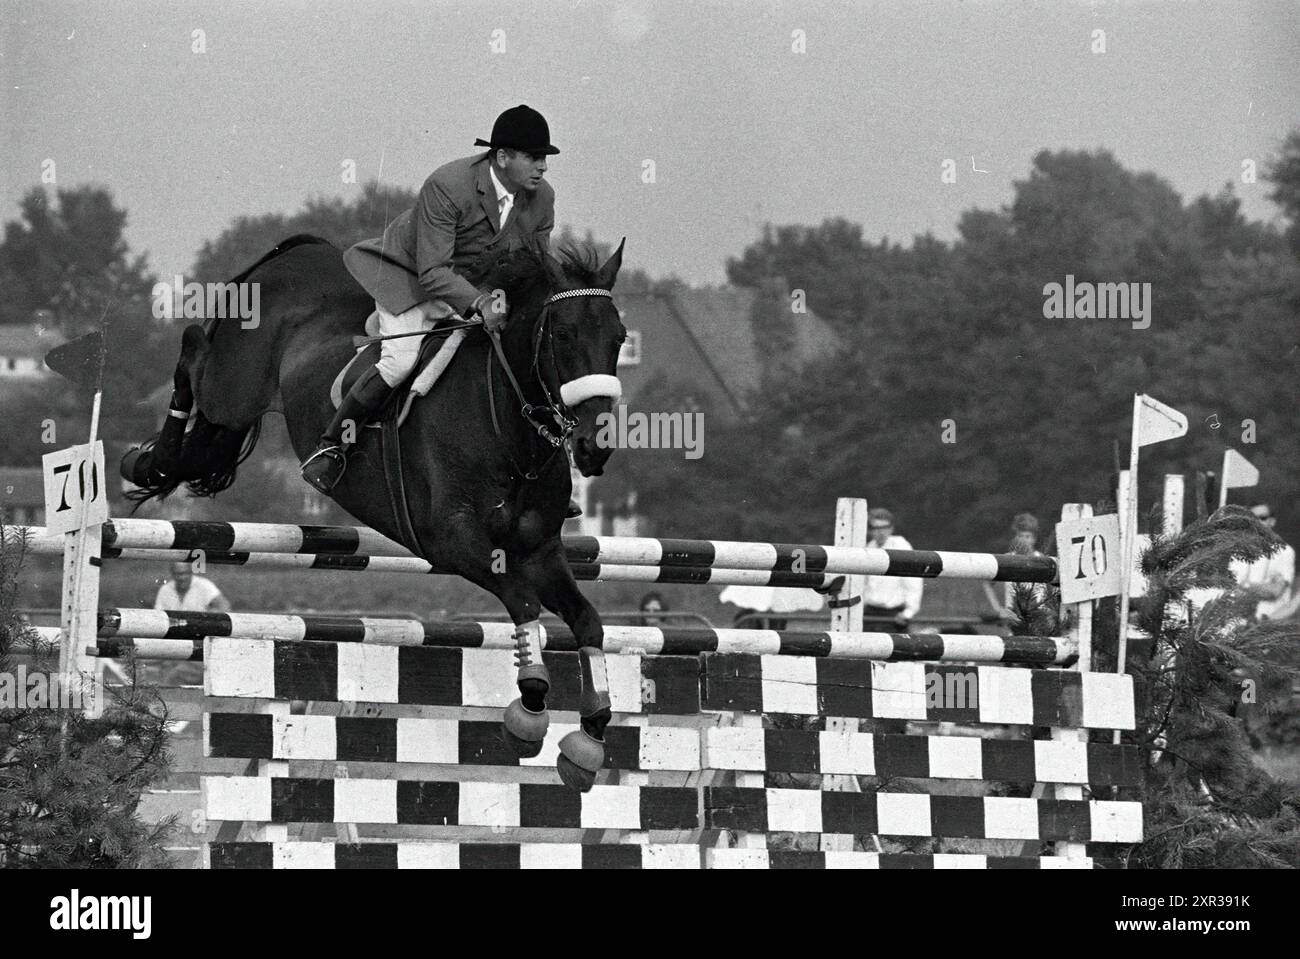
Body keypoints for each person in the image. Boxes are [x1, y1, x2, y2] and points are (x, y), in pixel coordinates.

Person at [302, 104, 566, 504]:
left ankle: (542, 473)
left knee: (524, 355)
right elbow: (433, 272)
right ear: (502, 157)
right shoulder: (449, 185)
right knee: (400, 362)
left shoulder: (541, 198)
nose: (543, 167)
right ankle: (332, 447)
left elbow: (534, 264)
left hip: (471, 290)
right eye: (534, 157)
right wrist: (480, 303)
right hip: (410, 282)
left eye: (545, 158)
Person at [1232, 504, 1296, 621]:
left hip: (1270, 624)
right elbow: (1230, 590)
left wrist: (1245, 585)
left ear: (1272, 521)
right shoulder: (1238, 552)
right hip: (1239, 624)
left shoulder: (1285, 551)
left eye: (1262, 518)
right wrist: (1262, 587)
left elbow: (1274, 591)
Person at [860, 508, 922, 629]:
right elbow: (864, 583)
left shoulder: (901, 546)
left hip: (894, 616)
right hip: (869, 614)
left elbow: (913, 582)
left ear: (891, 528)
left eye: (884, 527)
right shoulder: (868, 548)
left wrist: (908, 612)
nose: (881, 532)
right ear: (870, 530)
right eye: (876, 528)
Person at [154, 560, 230, 614]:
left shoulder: (204, 585)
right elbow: (158, 614)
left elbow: (224, 605)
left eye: (185, 573)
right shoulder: (165, 589)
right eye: (178, 574)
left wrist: (211, 617)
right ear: (172, 574)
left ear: (191, 572)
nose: (182, 578)